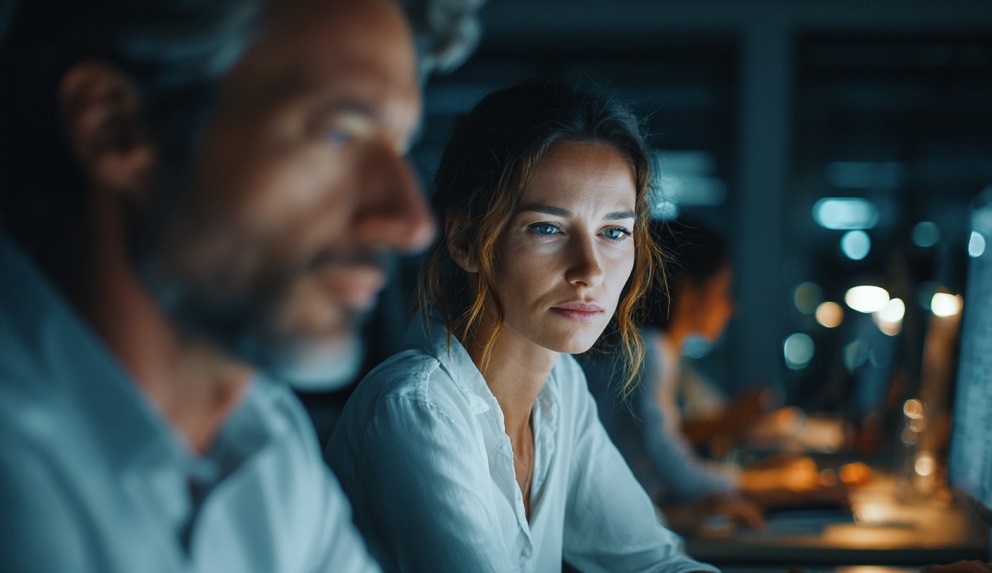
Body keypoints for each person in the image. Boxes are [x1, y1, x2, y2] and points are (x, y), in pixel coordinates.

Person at [0, 0, 434, 570]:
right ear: (116, 127)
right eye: (339, 135)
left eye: (399, 150)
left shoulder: (266, 437)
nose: (411, 223)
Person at [325, 80, 717, 573]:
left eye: (614, 232)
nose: (590, 270)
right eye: (548, 228)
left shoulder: (561, 389)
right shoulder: (417, 408)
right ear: (466, 240)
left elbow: (652, 563)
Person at [580, 217, 849, 532]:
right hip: (616, 525)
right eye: (723, 290)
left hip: (634, 514)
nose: (731, 307)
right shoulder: (648, 352)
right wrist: (764, 484)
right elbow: (676, 470)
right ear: (689, 291)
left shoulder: (659, 351)